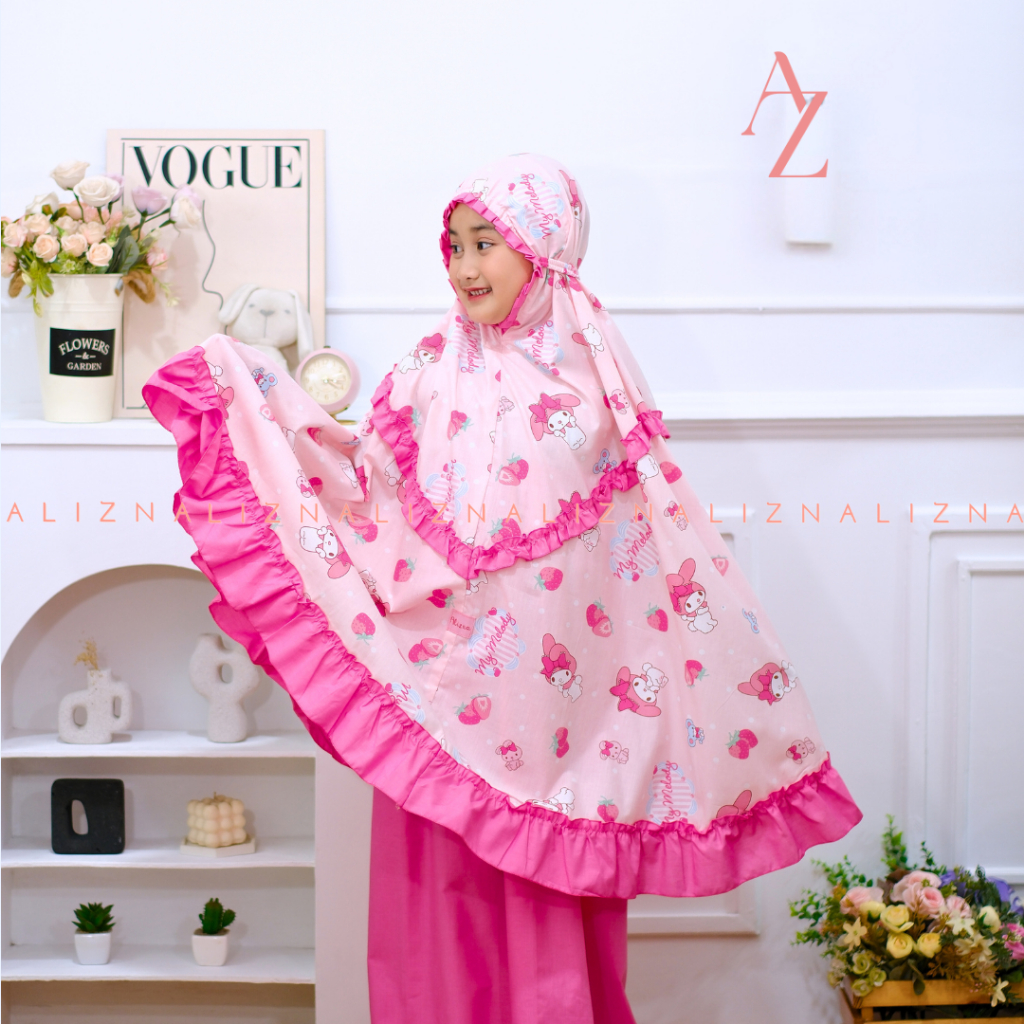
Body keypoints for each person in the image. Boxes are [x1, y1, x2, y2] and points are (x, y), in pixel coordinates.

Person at [144, 153, 862, 1022]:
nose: (464, 265)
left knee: (541, 900)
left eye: (486, 242)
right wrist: (254, 396)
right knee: (438, 911)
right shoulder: (426, 368)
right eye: (455, 244)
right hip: (443, 702)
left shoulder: (595, 388)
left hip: (558, 726)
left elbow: (634, 562)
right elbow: (368, 490)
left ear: (544, 246)